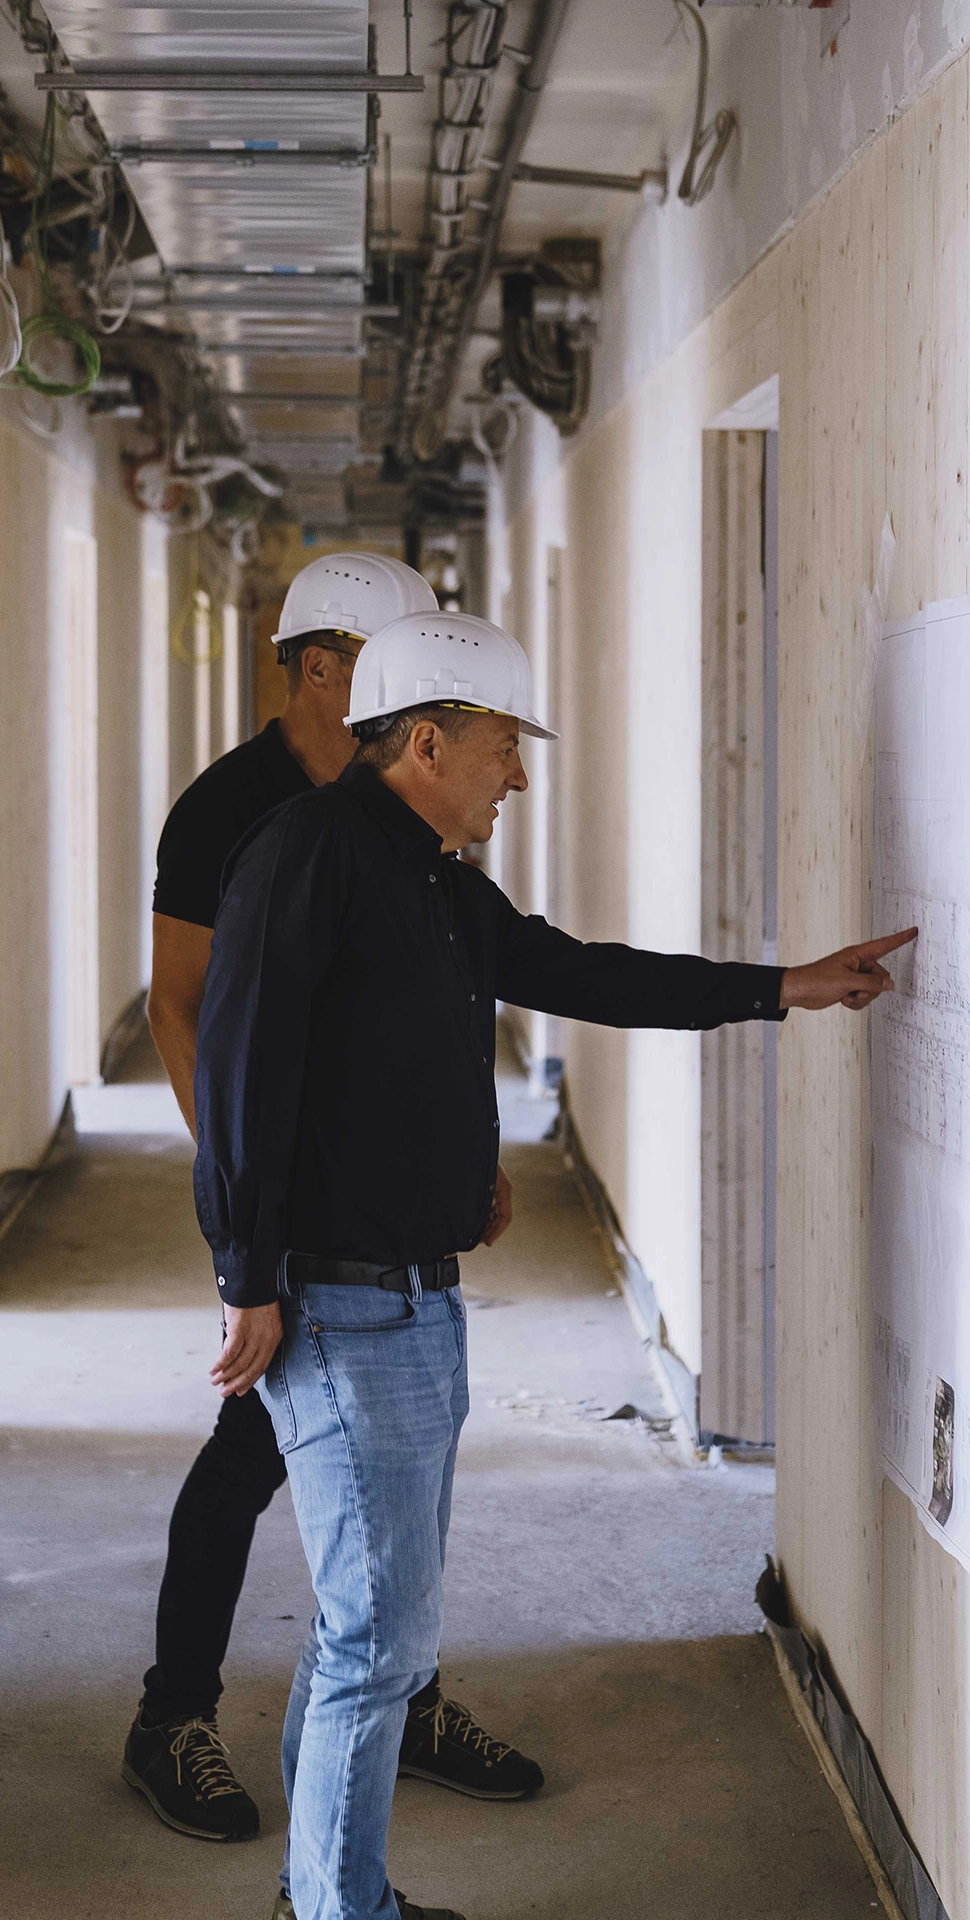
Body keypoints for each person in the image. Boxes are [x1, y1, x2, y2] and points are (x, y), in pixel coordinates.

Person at [192, 608, 917, 1920]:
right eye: (502, 747)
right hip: (346, 1306)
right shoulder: (310, 853)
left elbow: (569, 972)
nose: (518, 774)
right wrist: (246, 1271)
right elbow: (245, 1065)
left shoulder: (428, 873)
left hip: (412, 1301)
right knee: (376, 1639)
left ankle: (327, 1890)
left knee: (374, 1628)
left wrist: (782, 986)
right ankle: (338, 1908)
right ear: (426, 740)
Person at [123, 558, 535, 1851]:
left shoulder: (400, 820)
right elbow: (193, 1011)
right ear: (321, 666)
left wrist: (442, 1148)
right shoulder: (235, 811)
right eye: (395, 651)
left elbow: (422, 992)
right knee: (250, 1448)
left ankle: (389, 1697)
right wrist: (253, 1213)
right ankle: (173, 1717)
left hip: (366, 1198)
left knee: (365, 1493)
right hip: (286, 1210)